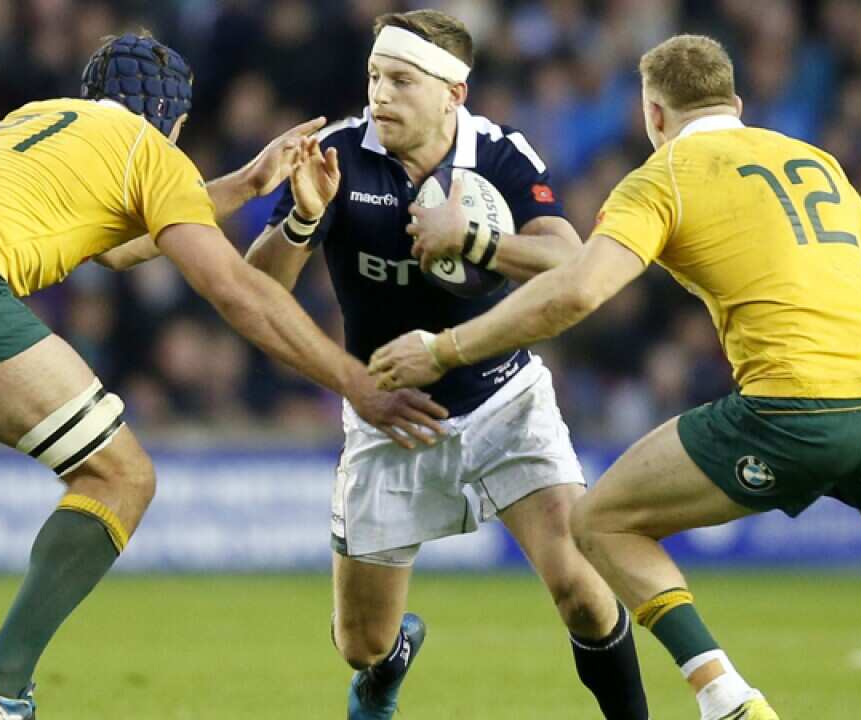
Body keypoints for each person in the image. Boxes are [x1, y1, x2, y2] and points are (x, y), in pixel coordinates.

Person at [370, 33, 861, 720]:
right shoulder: (814, 160)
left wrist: (445, 349)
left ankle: (726, 698)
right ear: (735, 102)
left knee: (601, 522)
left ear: (654, 116)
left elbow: (577, 293)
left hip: (790, 409)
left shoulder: (662, 176)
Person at [0, 32, 444, 720]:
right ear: (173, 122)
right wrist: (352, 378)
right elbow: (235, 290)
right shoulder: (150, 150)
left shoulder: (39, 119)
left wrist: (249, 183)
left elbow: (119, 248)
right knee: (122, 477)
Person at [246, 9, 648, 720]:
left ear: (452, 94)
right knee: (360, 643)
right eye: (374, 76)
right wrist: (304, 219)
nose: (380, 95)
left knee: (583, 593)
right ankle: (388, 663)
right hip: (390, 417)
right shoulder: (337, 153)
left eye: (401, 80)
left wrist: (474, 239)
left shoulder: (500, 154)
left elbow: (570, 260)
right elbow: (255, 289)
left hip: (504, 401)